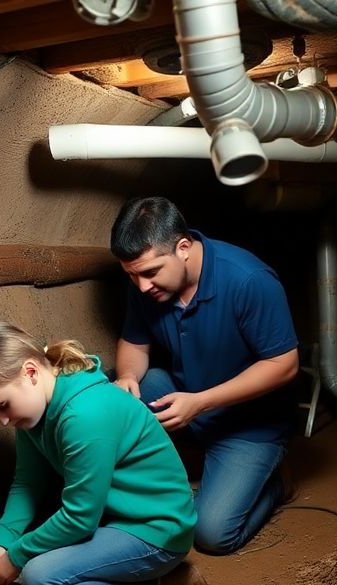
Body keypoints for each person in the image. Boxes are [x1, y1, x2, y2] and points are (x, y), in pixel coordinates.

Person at [0, 322, 207, 585]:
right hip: (114, 519)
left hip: (156, 529)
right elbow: (27, 483)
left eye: (3, 406)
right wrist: (3, 544)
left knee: (38, 579)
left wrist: (16, 556)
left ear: (31, 373)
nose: (3, 421)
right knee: (37, 558)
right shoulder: (32, 414)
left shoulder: (84, 415)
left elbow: (80, 517)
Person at [110, 196, 299, 555]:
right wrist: (126, 377)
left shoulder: (248, 279)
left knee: (212, 535)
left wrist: (200, 403)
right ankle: (158, 487)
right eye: (131, 275)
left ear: (183, 248)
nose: (141, 286)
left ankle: (275, 484)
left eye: (150, 272)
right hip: (189, 397)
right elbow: (134, 344)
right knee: (130, 389)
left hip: (250, 423)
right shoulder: (145, 283)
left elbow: (284, 365)